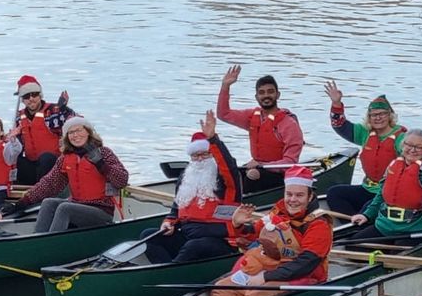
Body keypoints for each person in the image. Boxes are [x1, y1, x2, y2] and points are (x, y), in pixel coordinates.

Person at [209, 165, 333, 296]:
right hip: (268, 267)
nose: (292, 199)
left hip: (303, 276)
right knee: (221, 289)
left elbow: (305, 264)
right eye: (289, 194)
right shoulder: (278, 212)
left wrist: (265, 277)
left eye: (299, 195)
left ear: (310, 196)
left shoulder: (318, 224)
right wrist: (238, 225)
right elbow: (253, 234)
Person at [146, 110, 242, 264]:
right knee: (149, 235)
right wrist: (168, 223)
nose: (200, 159)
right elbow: (175, 211)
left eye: (204, 154)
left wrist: (213, 139)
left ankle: (172, 270)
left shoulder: (226, 179)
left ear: (213, 155)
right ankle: (167, 268)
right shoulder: (186, 177)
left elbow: (228, 165)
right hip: (186, 235)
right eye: (195, 156)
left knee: (194, 246)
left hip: (219, 240)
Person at [0, 117, 128, 233]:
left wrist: (101, 165)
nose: (75, 135)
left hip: (101, 211)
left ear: (88, 132)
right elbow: (49, 184)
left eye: (79, 130)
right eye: (71, 133)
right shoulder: (65, 158)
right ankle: (38, 239)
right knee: (48, 202)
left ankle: (52, 244)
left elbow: (122, 180)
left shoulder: (104, 153)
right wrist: (22, 202)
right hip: (78, 205)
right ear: (67, 137)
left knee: (64, 208)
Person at [348, 129, 422, 239]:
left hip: (419, 228)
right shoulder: (394, 165)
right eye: (409, 145)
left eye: (419, 147)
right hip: (387, 226)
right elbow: (382, 195)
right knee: (354, 244)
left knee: (397, 251)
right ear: (402, 145)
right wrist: (367, 215)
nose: (413, 150)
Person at [323, 81, 408, 217]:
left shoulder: (401, 137)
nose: (378, 118)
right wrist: (336, 104)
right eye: (374, 115)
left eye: (382, 114)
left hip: (388, 193)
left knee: (368, 208)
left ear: (390, 115)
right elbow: (340, 126)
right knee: (334, 193)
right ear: (369, 117)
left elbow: (414, 157)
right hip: (367, 188)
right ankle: (352, 224)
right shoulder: (365, 133)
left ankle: (360, 224)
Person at [216, 63, 304, 193]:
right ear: (257, 97)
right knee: (224, 174)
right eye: (262, 93)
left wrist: (263, 166)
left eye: (270, 92)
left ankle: (244, 205)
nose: (266, 96)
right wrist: (225, 86)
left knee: (252, 176)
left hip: (279, 174)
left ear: (278, 95)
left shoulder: (289, 124)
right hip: (256, 167)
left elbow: (290, 162)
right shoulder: (252, 116)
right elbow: (224, 114)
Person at [12, 76, 76, 184]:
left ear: (40, 95)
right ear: (22, 99)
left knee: (45, 158)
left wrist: (65, 110)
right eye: (27, 96)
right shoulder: (19, 117)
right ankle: (13, 190)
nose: (31, 99)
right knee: (16, 160)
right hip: (32, 164)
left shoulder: (54, 111)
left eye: (34, 94)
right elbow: (17, 146)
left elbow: (77, 123)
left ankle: (43, 190)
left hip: (53, 165)